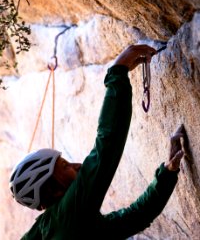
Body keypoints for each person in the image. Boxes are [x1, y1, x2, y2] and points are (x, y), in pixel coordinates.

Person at [9, 45, 185, 240]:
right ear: (55, 190)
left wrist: (168, 173)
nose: (78, 166)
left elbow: (132, 220)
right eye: (65, 166)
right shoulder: (69, 216)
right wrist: (117, 72)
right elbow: (105, 149)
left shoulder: (49, 229)